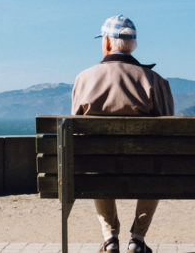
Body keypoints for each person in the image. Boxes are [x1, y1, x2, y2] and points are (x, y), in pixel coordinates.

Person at [72, 15, 174, 253]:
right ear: (133, 45)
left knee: (95, 161)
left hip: (100, 169)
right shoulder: (155, 81)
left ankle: (109, 237)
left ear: (107, 42)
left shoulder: (84, 79)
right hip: (144, 169)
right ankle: (137, 238)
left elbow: (75, 133)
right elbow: (170, 132)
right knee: (156, 166)